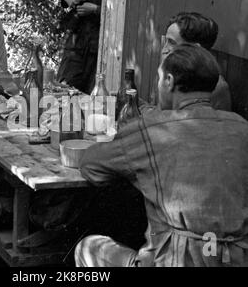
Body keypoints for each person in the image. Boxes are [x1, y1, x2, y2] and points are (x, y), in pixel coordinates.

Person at [75, 44, 248, 267]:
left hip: (174, 261)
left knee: (86, 247)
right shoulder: (242, 126)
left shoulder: (153, 128)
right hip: (236, 260)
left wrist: (141, 177)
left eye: (158, 78)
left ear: (168, 80)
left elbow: (90, 166)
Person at [160, 12, 232, 111]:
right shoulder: (169, 75)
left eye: (172, 43)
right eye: (165, 42)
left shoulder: (217, 87)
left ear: (195, 49)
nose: (164, 50)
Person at [57, 0, 106, 94]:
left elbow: (118, 11)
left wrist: (96, 9)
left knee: (91, 96)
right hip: (76, 41)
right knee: (64, 88)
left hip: (99, 46)